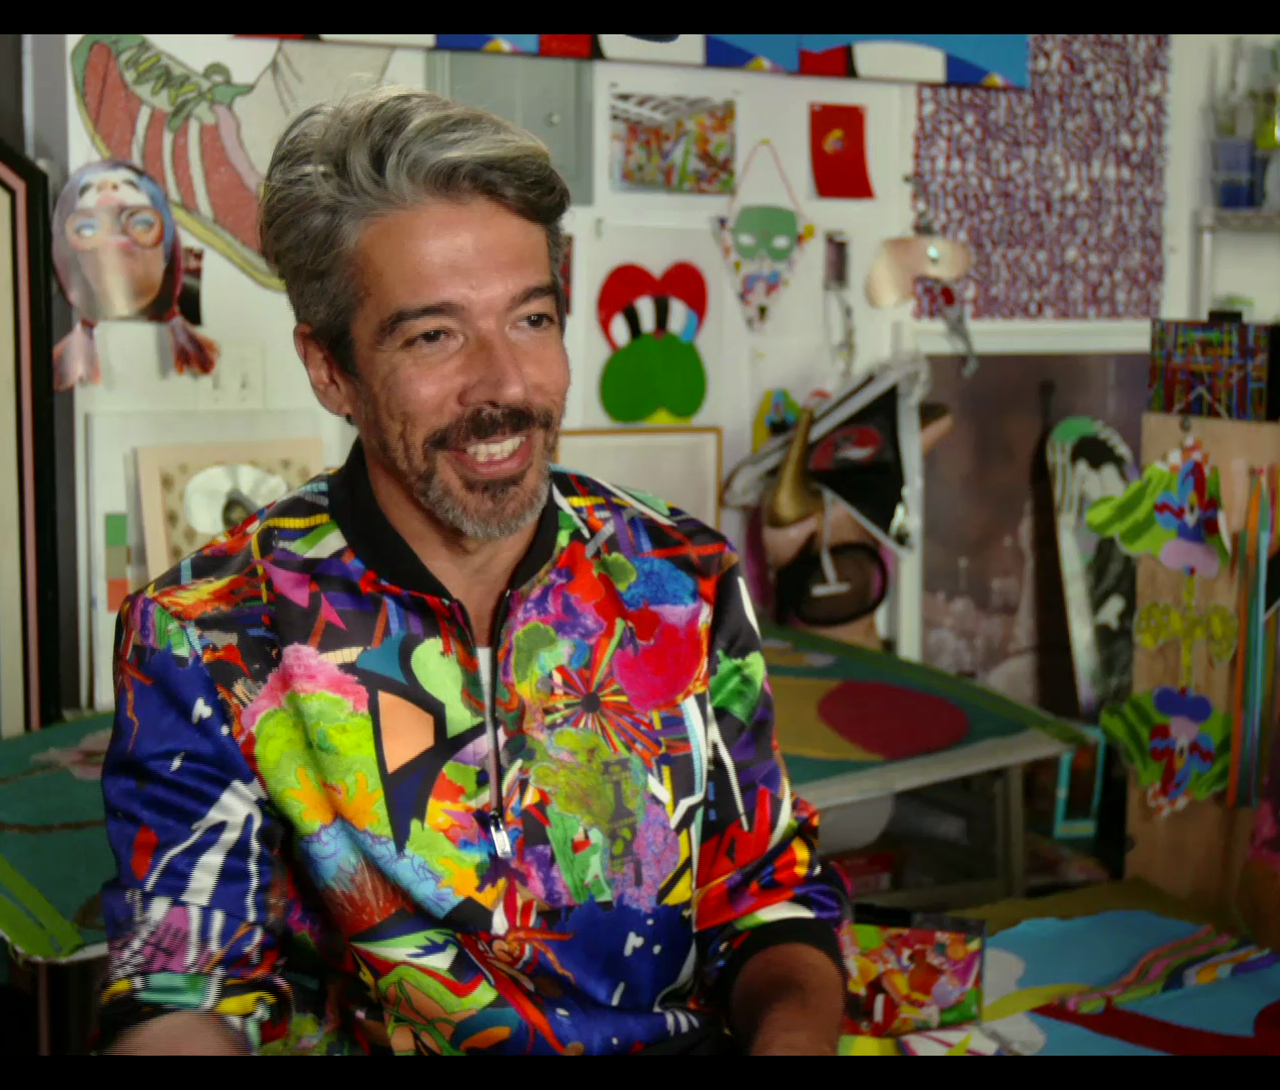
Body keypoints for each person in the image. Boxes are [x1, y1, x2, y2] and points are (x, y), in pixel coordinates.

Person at [97, 84, 850, 1056]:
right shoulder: (208, 633)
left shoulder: (681, 583)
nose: (504, 386)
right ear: (329, 368)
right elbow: (181, 989)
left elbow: (768, 904)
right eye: (434, 336)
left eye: (531, 320)